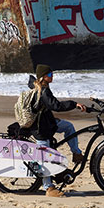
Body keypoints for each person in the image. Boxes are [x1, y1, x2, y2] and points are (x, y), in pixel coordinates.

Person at [28, 64, 86, 197]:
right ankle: (48, 188)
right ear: (43, 77)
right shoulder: (42, 90)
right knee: (45, 158)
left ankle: (76, 153)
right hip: (40, 129)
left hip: (48, 123)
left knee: (68, 126)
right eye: (49, 75)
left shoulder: (42, 87)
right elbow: (56, 105)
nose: (52, 76)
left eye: (52, 74)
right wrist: (74, 104)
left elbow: (48, 107)